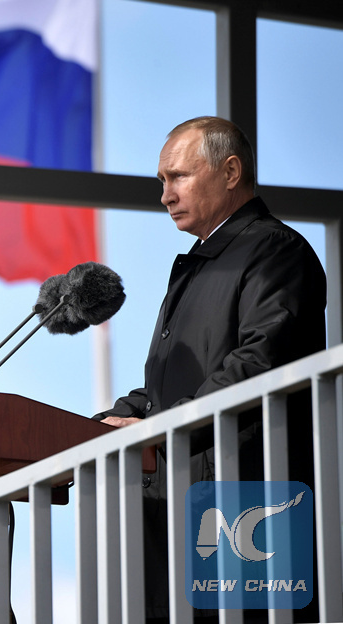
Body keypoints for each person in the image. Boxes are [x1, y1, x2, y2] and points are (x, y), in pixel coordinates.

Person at [94, 116, 327, 623]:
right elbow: (161, 390)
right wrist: (92, 430)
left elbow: (259, 363)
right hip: (180, 505)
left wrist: (157, 430)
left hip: (248, 507)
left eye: (178, 176)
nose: (165, 195)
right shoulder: (199, 265)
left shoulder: (276, 251)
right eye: (162, 181)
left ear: (230, 171)